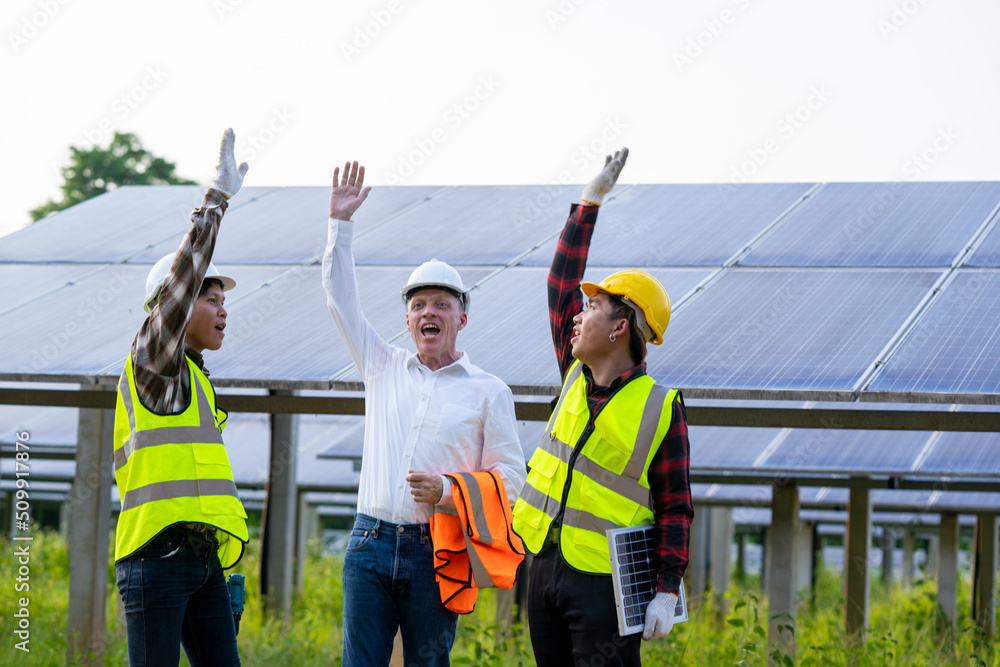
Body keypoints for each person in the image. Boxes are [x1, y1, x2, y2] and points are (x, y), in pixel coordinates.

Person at [321, 161, 527, 666]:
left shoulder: (489, 391)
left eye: (440, 303)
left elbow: (513, 479)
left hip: (436, 548)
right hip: (368, 542)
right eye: (418, 305)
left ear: (462, 316)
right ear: (408, 318)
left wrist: (450, 490)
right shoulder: (382, 366)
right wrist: (339, 225)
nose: (428, 312)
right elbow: (340, 301)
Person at [511, 148, 693, 666]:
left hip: (605, 587)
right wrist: (589, 203)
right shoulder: (573, 374)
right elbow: (559, 284)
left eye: (592, 307)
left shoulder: (660, 407)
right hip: (543, 565)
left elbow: (675, 507)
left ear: (619, 327)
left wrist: (665, 587)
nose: (577, 315)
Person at [113, 129, 251, 667]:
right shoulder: (154, 364)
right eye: (209, 298)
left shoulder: (193, 380)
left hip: (200, 559)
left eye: (223, 300)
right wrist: (215, 201)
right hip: (156, 559)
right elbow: (179, 285)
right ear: (168, 312)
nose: (222, 309)